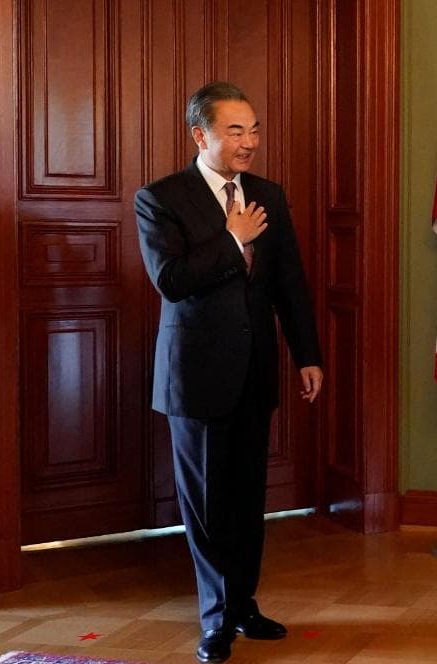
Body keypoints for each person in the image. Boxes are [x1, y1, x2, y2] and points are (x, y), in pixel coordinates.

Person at [135, 82, 323, 664]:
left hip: (256, 370)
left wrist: (306, 353)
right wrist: (231, 239)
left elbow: (288, 280)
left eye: (255, 129)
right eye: (236, 131)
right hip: (195, 377)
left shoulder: (269, 194)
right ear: (202, 135)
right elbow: (171, 279)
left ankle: (243, 604)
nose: (250, 142)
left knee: (246, 499)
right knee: (207, 505)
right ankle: (216, 619)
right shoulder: (161, 198)